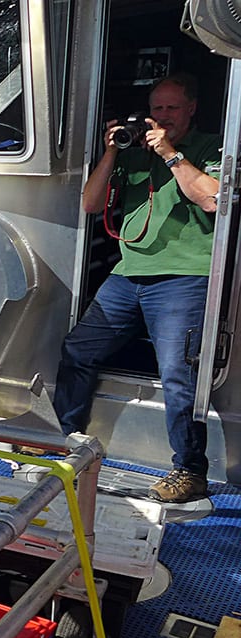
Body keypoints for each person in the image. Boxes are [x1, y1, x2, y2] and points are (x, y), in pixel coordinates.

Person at [60, 72, 221, 503]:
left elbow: (213, 198)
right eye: (156, 109)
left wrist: (170, 153)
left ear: (191, 109)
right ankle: (63, 439)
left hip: (184, 277)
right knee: (79, 349)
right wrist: (111, 152)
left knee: (176, 373)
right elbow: (91, 204)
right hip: (129, 274)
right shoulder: (133, 152)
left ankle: (189, 470)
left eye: (171, 108)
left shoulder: (210, 147)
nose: (162, 117)